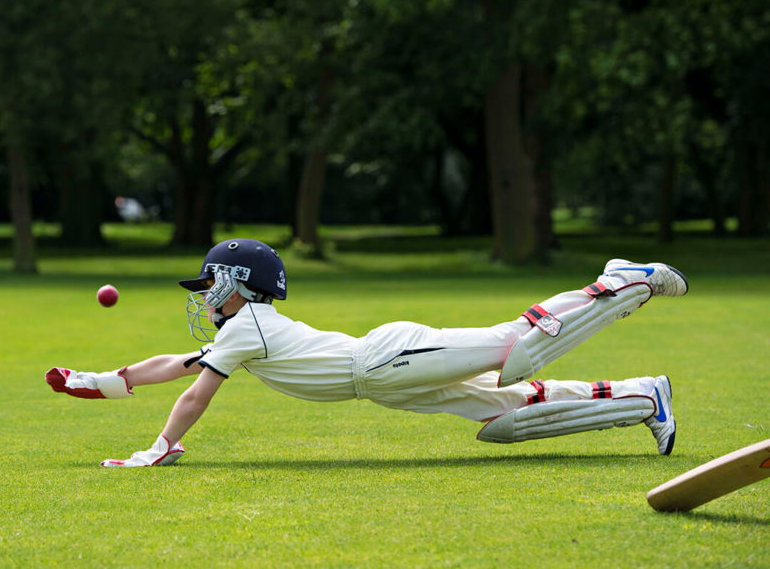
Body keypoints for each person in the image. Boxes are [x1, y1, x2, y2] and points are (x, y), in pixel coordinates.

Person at [46, 239, 686, 467]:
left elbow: (193, 393)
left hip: (386, 359)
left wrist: (159, 445)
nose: (204, 296)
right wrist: (99, 381)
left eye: (210, 284)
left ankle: (619, 281)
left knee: (517, 348)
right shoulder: (241, 336)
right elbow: (172, 368)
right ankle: (642, 397)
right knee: (507, 417)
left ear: (241, 287)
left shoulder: (249, 326)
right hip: (384, 383)